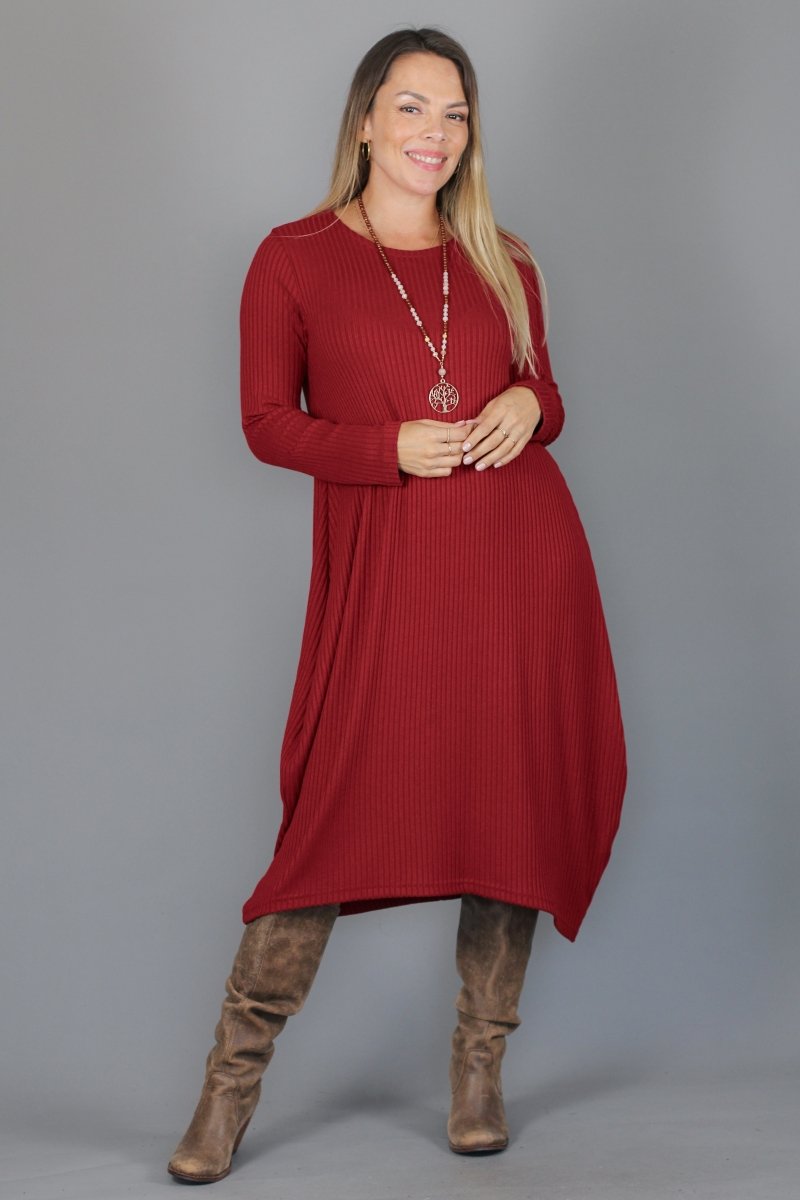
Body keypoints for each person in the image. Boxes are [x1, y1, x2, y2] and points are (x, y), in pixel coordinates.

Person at [168, 26, 627, 1184]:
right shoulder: (293, 257)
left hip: (518, 569)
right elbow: (264, 423)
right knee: (333, 819)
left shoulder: (502, 256)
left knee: (507, 809)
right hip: (387, 578)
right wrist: (383, 448)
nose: (435, 132)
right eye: (412, 107)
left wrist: (531, 406)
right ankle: (228, 1088)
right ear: (366, 119)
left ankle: (478, 1070)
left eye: (454, 112)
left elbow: (543, 391)